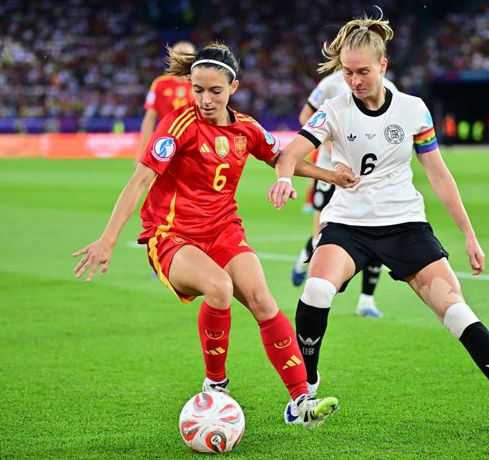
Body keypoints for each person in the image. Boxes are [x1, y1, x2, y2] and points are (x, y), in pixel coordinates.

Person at [268, 15, 489, 432]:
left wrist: (469, 235)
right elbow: (289, 154)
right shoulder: (332, 110)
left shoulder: (413, 110)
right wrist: (289, 177)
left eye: (363, 72)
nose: (354, 80)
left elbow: (440, 176)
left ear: (384, 65)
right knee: (316, 289)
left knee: (458, 313)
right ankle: (306, 388)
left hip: (405, 225)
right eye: (348, 72)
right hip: (348, 225)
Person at [73, 42, 351, 429]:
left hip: (223, 229)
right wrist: (107, 240)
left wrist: (332, 176)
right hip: (172, 235)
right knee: (219, 287)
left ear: (233, 87)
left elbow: (281, 157)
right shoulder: (177, 125)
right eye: (198, 90)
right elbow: (139, 182)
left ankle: (301, 400)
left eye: (215, 91)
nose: (205, 99)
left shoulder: (246, 128)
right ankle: (216, 385)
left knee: (262, 299)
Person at [291, 68, 400, 318]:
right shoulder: (330, 84)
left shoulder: (390, 88)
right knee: (322, 236)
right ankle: (304, 258)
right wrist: (332, 145)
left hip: (369, 178)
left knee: (378, 233)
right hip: (330, 171)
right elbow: (305, 115)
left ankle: (366, 300)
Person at [134, 41, 197, 167]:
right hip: (166, 143)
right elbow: (149, 119)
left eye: (187, 55)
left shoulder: (199, 84)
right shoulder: (160, 84)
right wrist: (142, 151)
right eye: (179, 54)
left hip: (194, 144)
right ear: (172, 58)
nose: (183, 58)